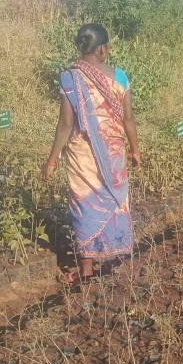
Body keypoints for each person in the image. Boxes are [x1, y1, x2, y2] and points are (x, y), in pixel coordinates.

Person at [42, 24, 140, 282]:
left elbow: (65, 124)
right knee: (115, 201)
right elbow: (128, 119)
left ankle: (86, 269)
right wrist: (135, 150)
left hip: (82, 155)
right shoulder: (120, 77)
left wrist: (52, 159)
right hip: (113, 152)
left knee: (85, 205)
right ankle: (116, 258)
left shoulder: (70, 78)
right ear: (102, 49)